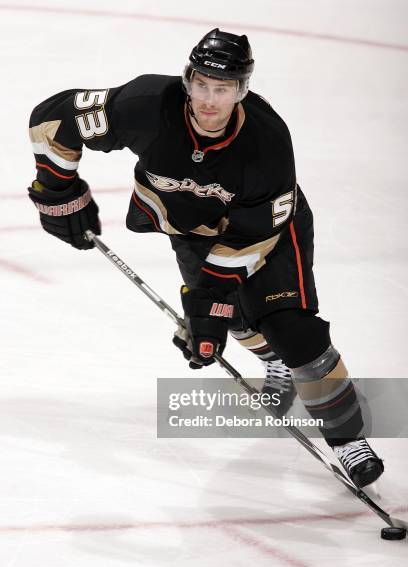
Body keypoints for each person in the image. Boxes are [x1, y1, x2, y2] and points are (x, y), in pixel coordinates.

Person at [28, 28, 384, 488]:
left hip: (266, 231)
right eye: (201, 85)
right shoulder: (146, 105)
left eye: (223, 89)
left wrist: (208, 302)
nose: (209, 100)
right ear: (187, 80)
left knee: (290, 328)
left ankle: (347, 440)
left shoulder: (267, 143)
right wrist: (59, 191)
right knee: (233, 319)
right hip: (191, 228)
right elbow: (54, 120)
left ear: (242, 90)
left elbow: (252, 239)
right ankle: (273, 362)